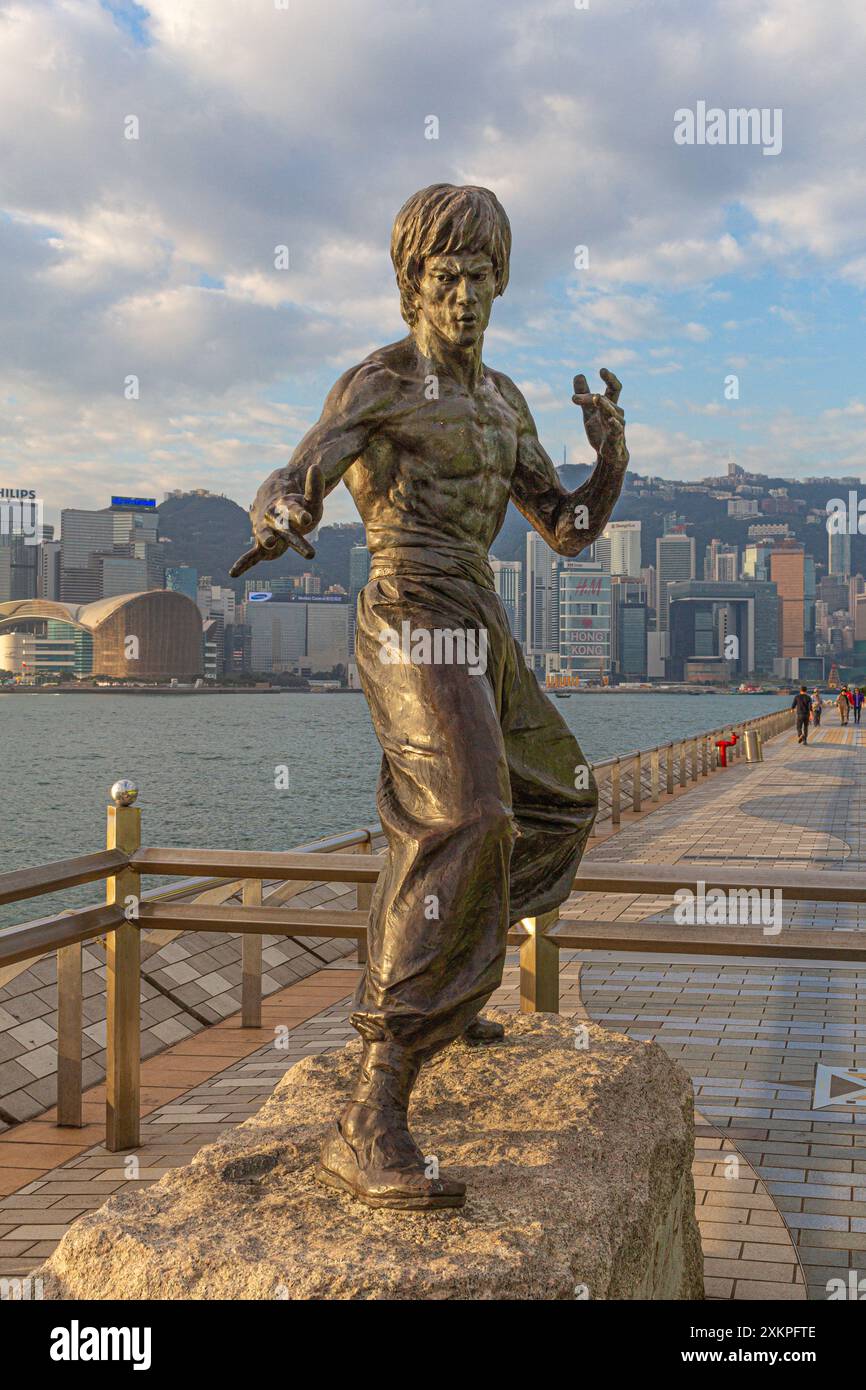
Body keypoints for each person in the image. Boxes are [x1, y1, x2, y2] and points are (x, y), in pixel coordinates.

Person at [232, 184, 629, 1210]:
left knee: (564, 797)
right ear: (411, 284)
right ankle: (374, 1104)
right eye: (444, 278)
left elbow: (567, 530)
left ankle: (454, 974)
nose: (463, 296)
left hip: (480, 622)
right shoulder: (378, 383)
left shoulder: (504, 402)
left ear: (500, 285)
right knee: (468, 814)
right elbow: (301, 466)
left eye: (480, 278)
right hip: (409, 611)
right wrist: (281, 503)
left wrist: (610, 455)